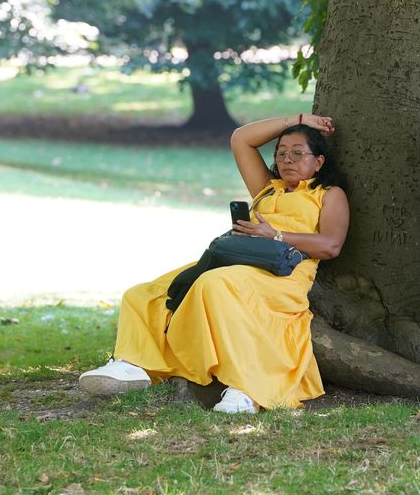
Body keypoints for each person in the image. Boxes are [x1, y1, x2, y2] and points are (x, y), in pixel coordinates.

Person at [79, 114, 350, 414]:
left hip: (283, 276)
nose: (288, 159)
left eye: (298, 153)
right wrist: (297, 120)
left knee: (214, 285)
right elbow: (241, 139)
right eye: (281, 153)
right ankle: (132, 366)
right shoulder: (267, 188)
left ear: (319, 162)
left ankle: (246, 389)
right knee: (143, 293)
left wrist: (276, 234)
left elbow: (331, 245)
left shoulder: (327, 195)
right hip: (235, 262)